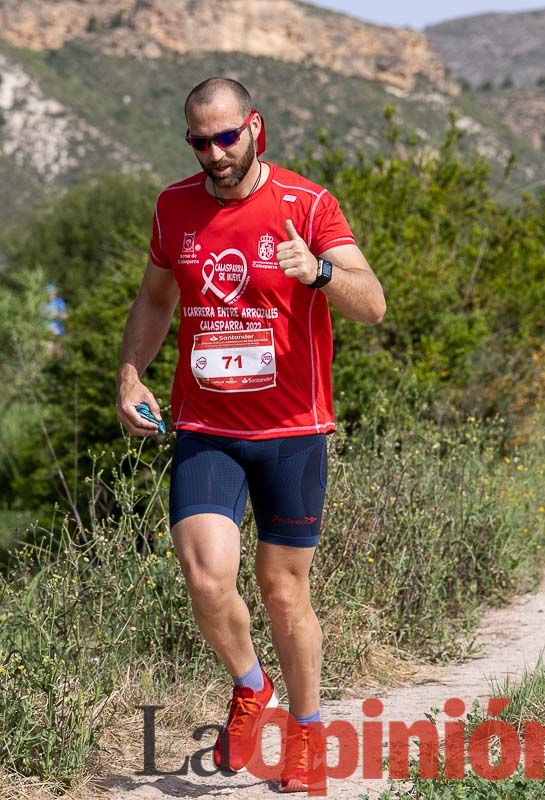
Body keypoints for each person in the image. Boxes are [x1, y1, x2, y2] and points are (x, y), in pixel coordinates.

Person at [115, 77, 385, 793]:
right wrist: (130, 376)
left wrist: (320, 271)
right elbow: (154, 298)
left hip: (294, 430)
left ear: (254, 128)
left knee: (281, 590)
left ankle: (305, 732)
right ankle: (249, 685)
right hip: (208, 425)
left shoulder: (306, 205)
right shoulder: (175, 207)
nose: (214, 153)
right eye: (199, 141)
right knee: (205, 578)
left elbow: (374, 302)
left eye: (226, 136)